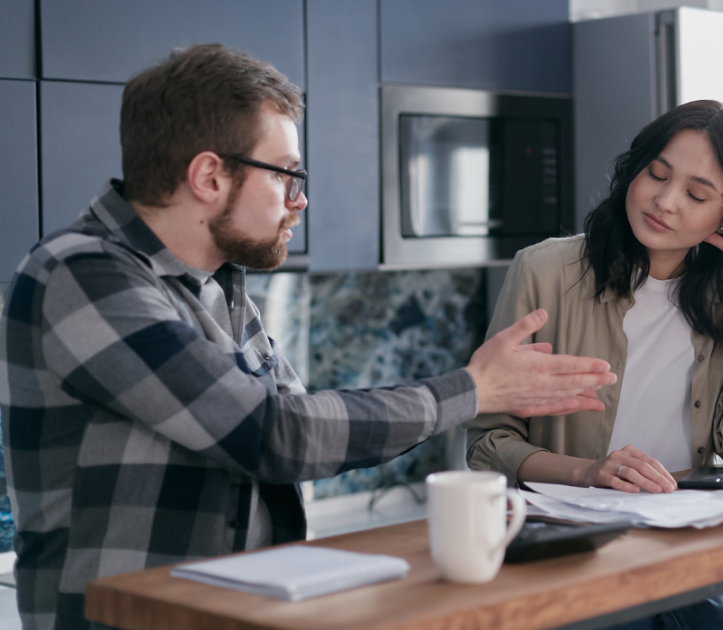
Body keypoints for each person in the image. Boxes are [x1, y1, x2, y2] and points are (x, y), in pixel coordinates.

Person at [0, 44, 617, 630]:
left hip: (230, 608)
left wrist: (473, 391)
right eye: (285, 175)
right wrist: (473, 391)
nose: (299, 202)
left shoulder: (219, 285)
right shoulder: (82, 275)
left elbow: (304, 425)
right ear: (209, 176)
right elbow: (275, 434)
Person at [466, 100, 723, 629]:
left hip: (687, 553)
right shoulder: (545, 270)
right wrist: (589, 473)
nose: (664, 201)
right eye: (656, 174)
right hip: (576, 555)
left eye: (696, 193)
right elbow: (487, 444)